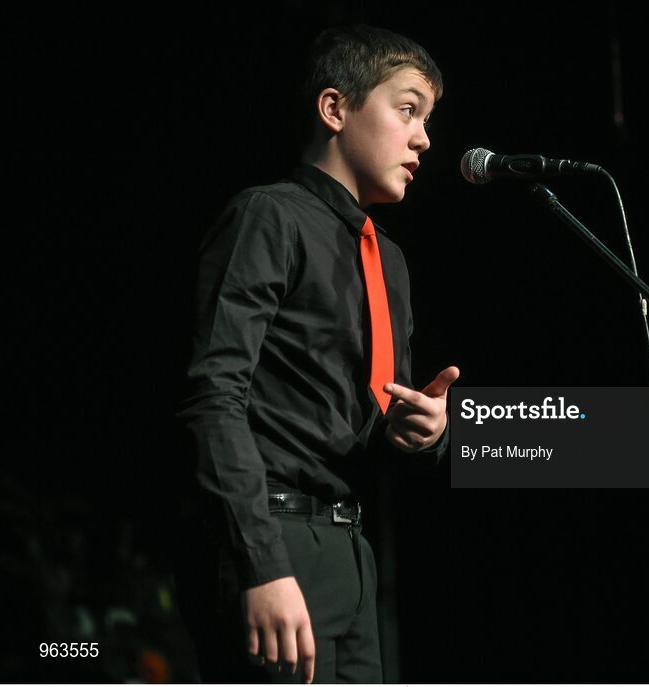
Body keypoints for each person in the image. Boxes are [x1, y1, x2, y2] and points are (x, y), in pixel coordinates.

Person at [173, 24, 456, 684]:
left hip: (351, 551)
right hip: (273, 532)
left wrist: (425, 433)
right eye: (407, 110)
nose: (424, 139)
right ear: (335, 109)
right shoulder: (267, 216)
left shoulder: (388, 260)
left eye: (428, 120)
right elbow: (214, 394)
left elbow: (375, 424)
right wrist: (260, 563)